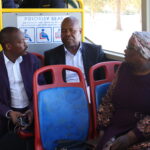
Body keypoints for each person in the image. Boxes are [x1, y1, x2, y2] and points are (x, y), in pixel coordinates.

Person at [96, 32, 150, 150]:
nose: (125, 51)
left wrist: (131, 137)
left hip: (144, 134)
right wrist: (102, 129)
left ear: (144, 54)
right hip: (118, 127)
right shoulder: (123, 69)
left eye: (130, 48)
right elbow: (108, 100)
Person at [0, 27, 44, 149]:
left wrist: (32, 109)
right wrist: (9, 113)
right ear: (8, 46)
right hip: (5, 113)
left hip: (31, 108)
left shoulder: (32, 61)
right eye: (21, 42)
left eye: (25, 40)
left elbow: (42, 89)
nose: (26, 44)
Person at [44, 16, 105, 85]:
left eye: (72, 30)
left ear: (80, 31)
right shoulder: (51, 56)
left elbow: (102, 80)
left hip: (88, 91)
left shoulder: (95, 52)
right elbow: (49, 84)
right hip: (63, 92)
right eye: (63, 31)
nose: (67, 34)